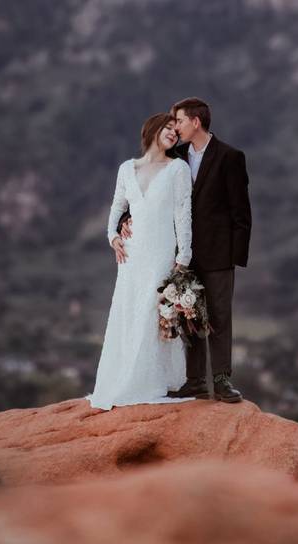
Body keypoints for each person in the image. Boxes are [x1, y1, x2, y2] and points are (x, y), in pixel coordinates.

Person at [116, 97, 252, 403]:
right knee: (187, 314)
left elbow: (241, 213)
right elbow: (150, 196)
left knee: (218, 317)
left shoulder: (230, 157)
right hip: (179, 252)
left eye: (178, 120)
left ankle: (221, 381)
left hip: (219, 255)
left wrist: (234, 258)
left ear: (195, 122)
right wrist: (126, 218)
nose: (174, 127)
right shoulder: (175, 156)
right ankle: (194, 382)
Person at [85, 113, 194, 411]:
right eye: (168, 129)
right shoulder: (126, 169)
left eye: (176, 131)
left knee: (151, 311)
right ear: (153, 130)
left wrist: (184, 256)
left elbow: (183, 214)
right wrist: (113, 237)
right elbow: (118, 206)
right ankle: (122, 379)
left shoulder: (178, 169)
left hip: (161, 251)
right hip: (131, 255)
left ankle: (147, 381)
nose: (173, 134)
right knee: (128, 309)